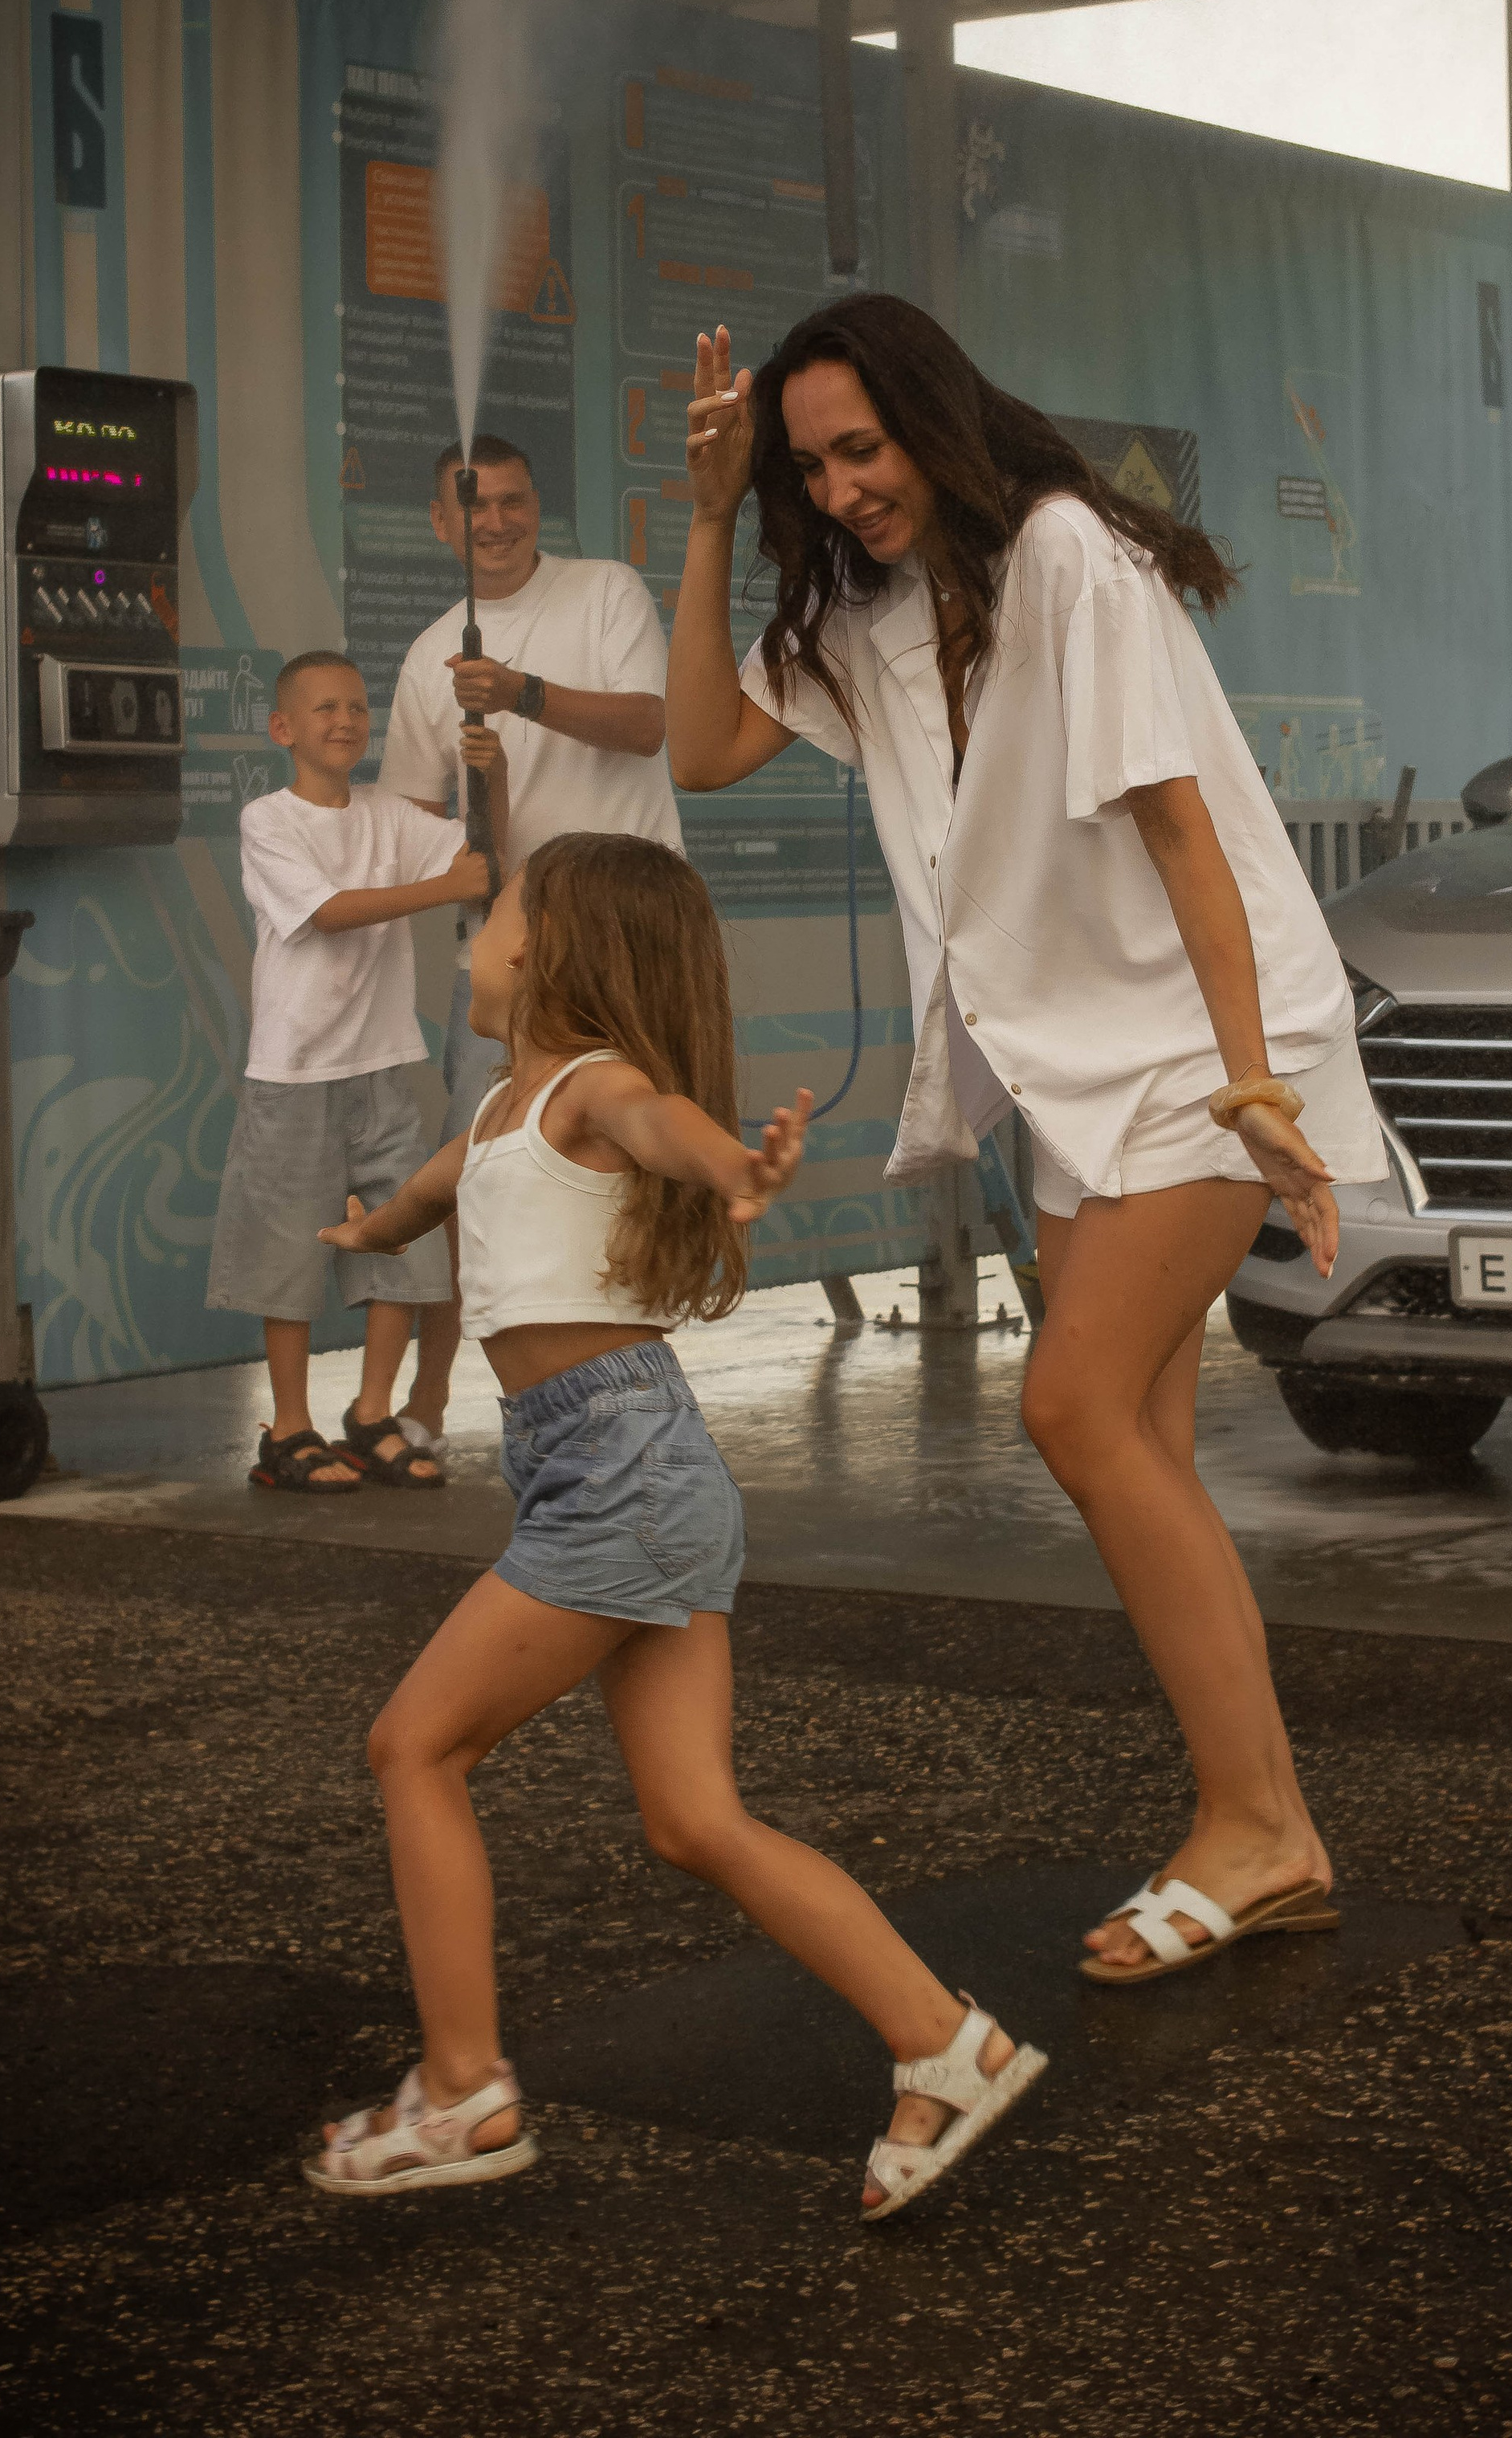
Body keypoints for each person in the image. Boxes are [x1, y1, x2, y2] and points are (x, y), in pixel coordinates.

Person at [667, 299, 1385, 1986]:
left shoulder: (1065, 552)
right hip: (1068, 1069)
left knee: (1064, 1403)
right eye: (810, 467)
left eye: (865, 447)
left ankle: (1257, 1824)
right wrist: (705, 517)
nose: (843, 490)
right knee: (1134, 1434)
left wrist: (1256, 1090)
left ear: (933, 418)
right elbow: (701, 747)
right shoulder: (863, 606)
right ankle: (1256, 1822)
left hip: (1208, 1048)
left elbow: (1182, 831)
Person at [305, 830, 1045, 2213]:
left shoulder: (593, 1086)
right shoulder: (501, 1110)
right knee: (695, 1820)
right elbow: (430, 1193)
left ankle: (464, 2093)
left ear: (544, 948)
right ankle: (946, 2044)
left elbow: (666, 1126)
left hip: (620, 1466)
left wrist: (734, 1169)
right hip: (613, 1464)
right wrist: (364, 1233)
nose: (473, 936)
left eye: (494, 914)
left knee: (415, 1747)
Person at [376, 434, 685, 1446]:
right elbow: (421, 822)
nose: (496, 521)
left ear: (535, 503)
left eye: (512, 500)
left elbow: (650, 725)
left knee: (636, 1157)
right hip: (513, 950)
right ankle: (473, 1400)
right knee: (495, 1165)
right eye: (474, 507)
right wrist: (485, 806)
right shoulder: (429, 655)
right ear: (439, 524)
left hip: (634, 936)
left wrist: (521, 694)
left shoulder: (606, 590)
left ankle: (635, 1390)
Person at [206, 648, 504, 1494]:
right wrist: (440, 890)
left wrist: (496, 771)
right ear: (284, 728)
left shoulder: (390, 815)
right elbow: (331, 914)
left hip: (383, 1066)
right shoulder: (269, 821)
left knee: (400, 1239)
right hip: (293, 1073)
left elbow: (482, 858)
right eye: (324, 708)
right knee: (288, 1249)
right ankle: (288, 1427)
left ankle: (372, 1415)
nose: (344, 721)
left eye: (356, 708)